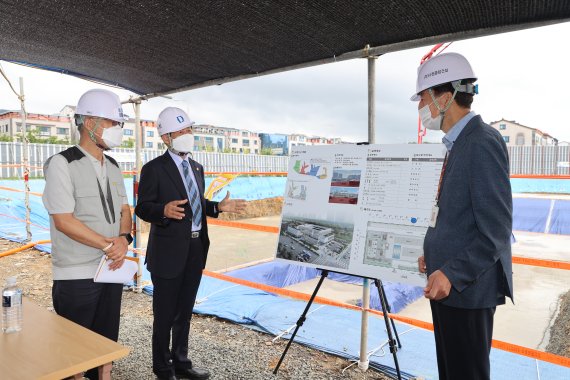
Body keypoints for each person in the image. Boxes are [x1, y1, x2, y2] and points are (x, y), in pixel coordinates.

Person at [413, 52, 513, 380]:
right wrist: (434, 253)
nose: (420, 108)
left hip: (466, 290)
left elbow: (496, 230)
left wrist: (452, 274)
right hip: (448, 286)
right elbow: (459, 216)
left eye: (423, 98)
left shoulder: (481, 142)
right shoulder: (458, 144)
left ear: (445, 97)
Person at [135, 107, 247, 380]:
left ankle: (181, 363)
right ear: (165, 137)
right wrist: (162, 211)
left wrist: (217, 207)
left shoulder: (196, 167)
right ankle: (163, 368)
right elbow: (142, 208)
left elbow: (197, 204)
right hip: (168, 252)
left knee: (184, 311)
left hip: (196, 248)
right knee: (164, 315)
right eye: (181, 131)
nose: (187, 135)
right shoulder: (153, 169)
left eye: (189, 130)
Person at [42, 89, 133, 380]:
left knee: (105, 345)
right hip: (76, 273)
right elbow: (64, 221)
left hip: (111, 268)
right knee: (75, 354)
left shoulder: (115, 166)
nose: (117, 130)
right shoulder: (62, 163)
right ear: (90, 122)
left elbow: (125, 210)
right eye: (111, 122)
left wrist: (124, 239)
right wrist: (110, 245)